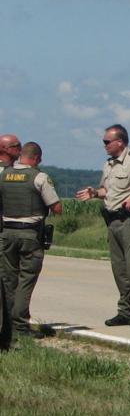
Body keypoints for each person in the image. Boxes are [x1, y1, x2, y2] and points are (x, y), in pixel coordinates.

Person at [75, 124, 130, 326]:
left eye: (107, 142)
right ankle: (125, 310)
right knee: (119, 268)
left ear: (120, 141)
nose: (104, 145)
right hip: (113, 220)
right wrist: (95, 193)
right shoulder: (110, 165)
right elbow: (109, 191)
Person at [1, 142, 63, 338]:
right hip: (30, 234)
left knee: (8, 280)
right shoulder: (39, 177)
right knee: (26, 279)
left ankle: (8, 324)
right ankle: (20, 324)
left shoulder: (3, 174)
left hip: (6, 233)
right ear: (36, 158)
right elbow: (56, 207)